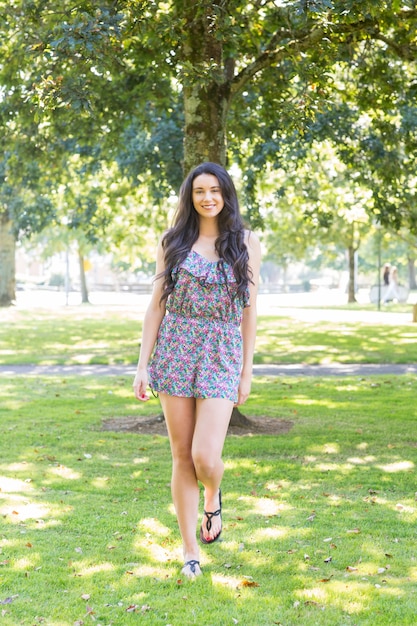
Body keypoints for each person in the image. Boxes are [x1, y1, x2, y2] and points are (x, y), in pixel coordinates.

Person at [133, 162, 261, 579]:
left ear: (226, 194)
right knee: (180, 454)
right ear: (190, 198)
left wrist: (246, 371)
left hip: (222, 351)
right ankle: (190, 551)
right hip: (176, 348)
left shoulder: (245, 242)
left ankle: (213, 495)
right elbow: (156, 305)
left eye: (215, 190)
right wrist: (142, 367)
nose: (208, 198)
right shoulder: (173, 241)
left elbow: (249, 312)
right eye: (199, 191)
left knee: (205, 455)